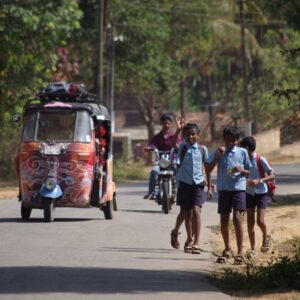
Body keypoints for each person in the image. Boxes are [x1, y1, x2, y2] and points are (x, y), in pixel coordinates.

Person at [207, 126, 251, 264]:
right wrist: (218, 156)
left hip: (238, 189)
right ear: (223, 139)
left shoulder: (242, 152)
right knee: (224, 220)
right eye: (227, 140)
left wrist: (241, 170)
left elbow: (249, 172)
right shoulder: (219, 151)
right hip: (224, 190)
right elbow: (208, 168)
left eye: (233, 140)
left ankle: (240, 252)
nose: (230, 143)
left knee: (237, 219)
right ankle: (227, 249)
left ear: (237, 141)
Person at [173, 123, 213, 254]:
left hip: (198, 183)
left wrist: (210, 185)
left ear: (198, 134)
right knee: (186, 213)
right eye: (188, 134)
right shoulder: (182, 148)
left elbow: (207, 168)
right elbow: (174, 144)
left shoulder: (203, 149)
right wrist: (178, 129)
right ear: (184, 136)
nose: (191, 136)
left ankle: (196, 242)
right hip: (184, 183)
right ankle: (188, 238)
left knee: (196, 211)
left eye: (193, 134)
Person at [240, 136, 275, 258]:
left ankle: (266, 238)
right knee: (250, 221)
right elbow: (232, 171)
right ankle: (252, 248)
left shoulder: (260, 160)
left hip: (261, 193)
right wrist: (234, 169)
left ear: (247, 148)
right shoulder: (241, 160)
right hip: (248, 194)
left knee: (260, 221)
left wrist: (259, 181)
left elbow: (272, 175)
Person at [144, 113, 182, 199]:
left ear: (171, 124)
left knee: (177, 169)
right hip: (161, 161)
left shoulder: (174, 136)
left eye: (168, 123)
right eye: (165, 123)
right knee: (154, 171)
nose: (167, 125)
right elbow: (151, 144)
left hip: (172, 160)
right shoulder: (157, 137)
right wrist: (149, 148)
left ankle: (180, 190)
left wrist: (179, 147)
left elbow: (180, 144)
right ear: (162, 124)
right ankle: (151, 192)